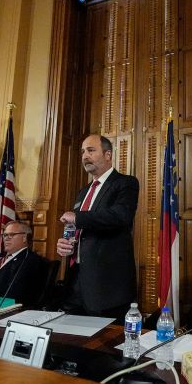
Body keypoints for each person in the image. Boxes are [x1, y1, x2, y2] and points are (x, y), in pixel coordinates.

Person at [56, 135, 139, 319]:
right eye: (83, 152)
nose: (85, 156)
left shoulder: (125, 183)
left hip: (107, 287)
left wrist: (77, 218)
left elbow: (120, 216)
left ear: (108, 154)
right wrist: (66, 244)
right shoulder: (83, 191)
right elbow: (79, 227)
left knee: (105, 344)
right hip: (76, 283)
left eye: (91, 150)